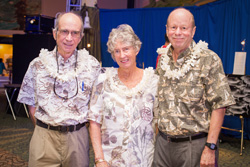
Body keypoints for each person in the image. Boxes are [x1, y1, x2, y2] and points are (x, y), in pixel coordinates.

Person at [153, 8, 235, 167]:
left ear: (193, 31)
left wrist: (211, 147)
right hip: (163, 145)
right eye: (173, 27)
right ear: (167, 30)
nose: (178, 32)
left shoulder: (208, 59)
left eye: (184, 28)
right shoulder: (163, 60)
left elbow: (220, 105)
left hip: (194, 145)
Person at [17, 12, 101, 167]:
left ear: (81, 37)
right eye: (64, 31)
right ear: (55, 33)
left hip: (78, 139)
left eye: (75, 33)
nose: (69, 38)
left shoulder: (92, 66)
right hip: (44, 138)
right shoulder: (37, 65)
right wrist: (47, 130)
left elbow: (97, 108)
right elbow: (31, 106)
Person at [88, 24, 159, 167]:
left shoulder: (153, 81)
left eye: (126, 49)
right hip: (109, 161)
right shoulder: (103, 80)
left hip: (144, 161)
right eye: (117, 51)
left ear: (136, 49)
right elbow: (94, 121)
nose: (122, 55)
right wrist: (99, 159)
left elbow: (158, 122)